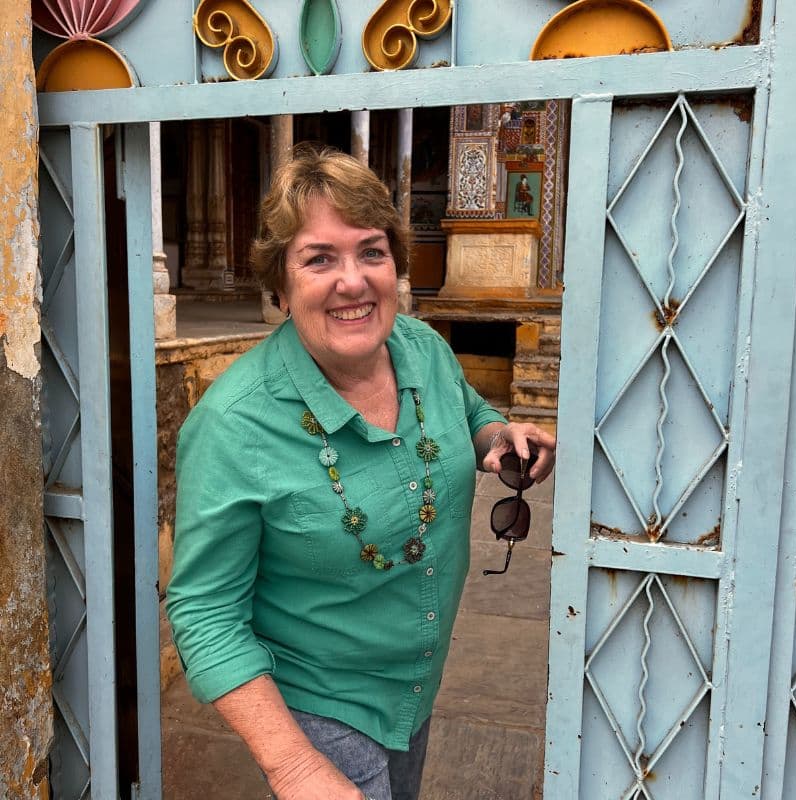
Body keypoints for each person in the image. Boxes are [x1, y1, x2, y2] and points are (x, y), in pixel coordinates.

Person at [166, 146, 556, 800]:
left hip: (414, 689)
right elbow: (204, 611)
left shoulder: (421, 347)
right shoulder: (235, 425)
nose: (353, 280)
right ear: (280, 286)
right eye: (319, 258)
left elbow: (466, 405)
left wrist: (496, 434)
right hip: (320, 707)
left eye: (371, 251)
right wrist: (293, 765)